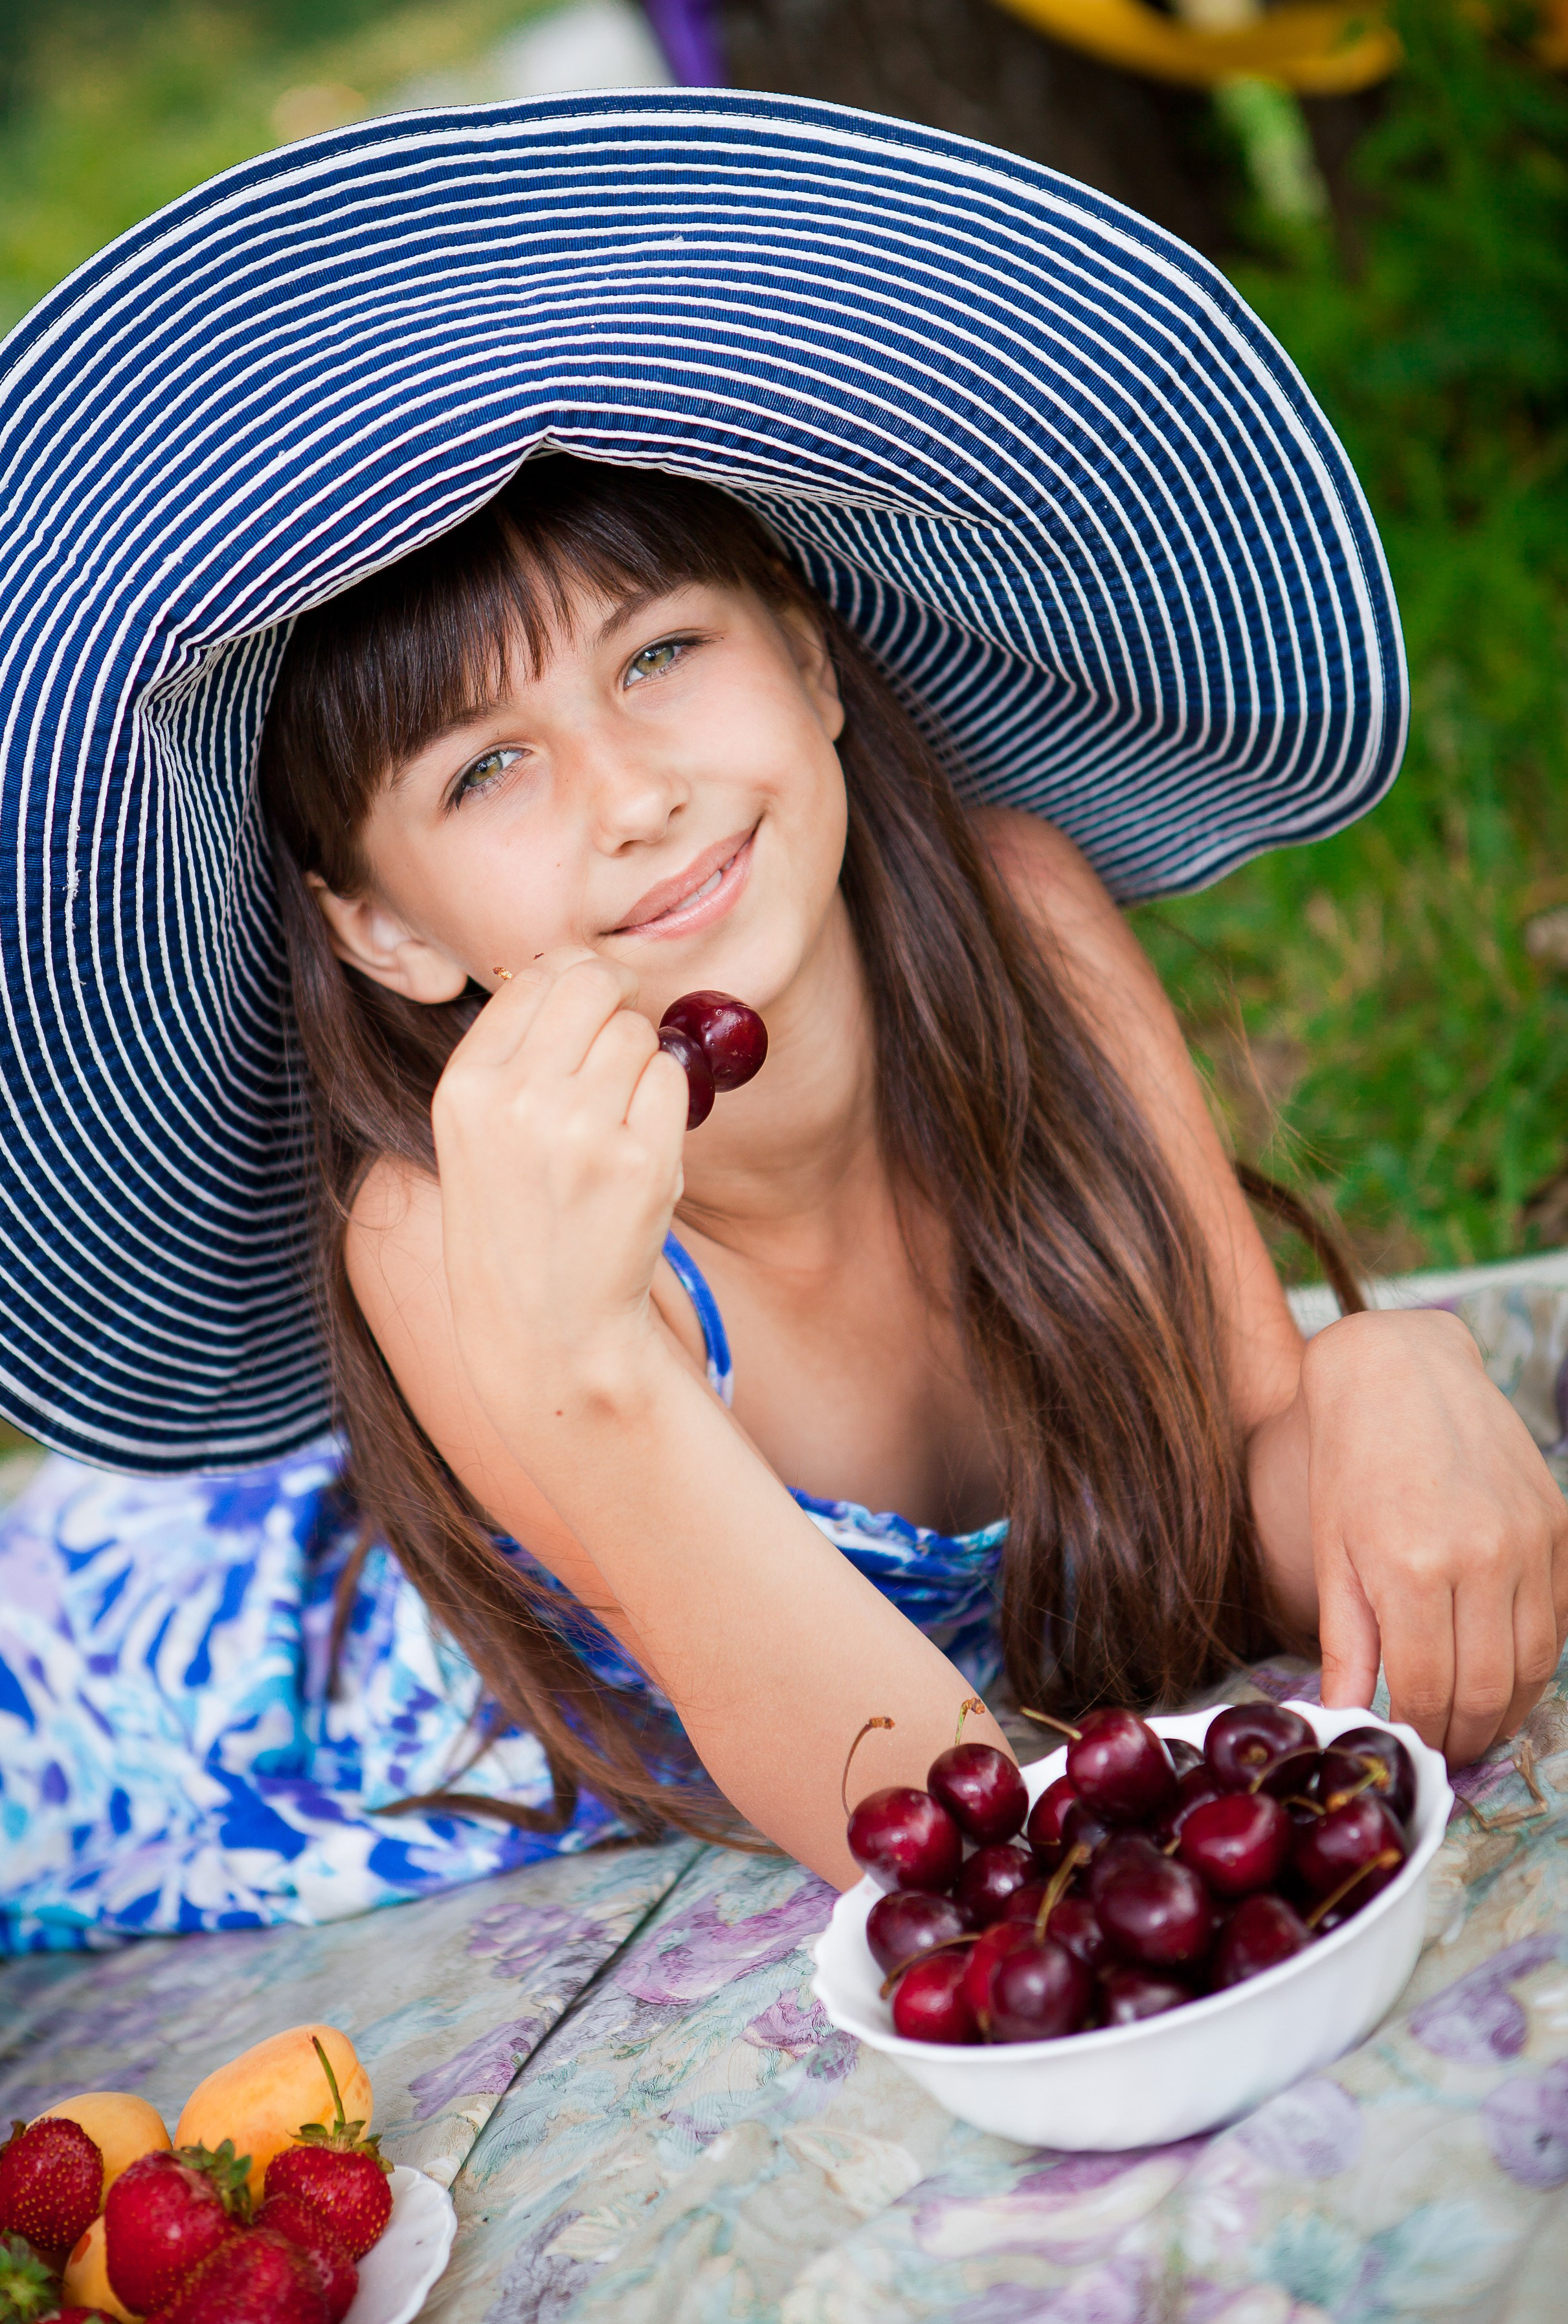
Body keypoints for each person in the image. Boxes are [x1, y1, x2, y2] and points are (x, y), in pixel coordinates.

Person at [1, 93, 1562, 1949]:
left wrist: (1386, 1375)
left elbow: (1244, 1485)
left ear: (810, 659)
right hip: (193, 1697)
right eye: (488, 769)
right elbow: (921, 1821)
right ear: (387, 929)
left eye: (661, 654)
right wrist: (583, 1351)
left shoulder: (1024, 922)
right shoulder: (444, 1222)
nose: (633, 794)